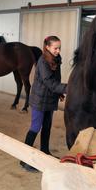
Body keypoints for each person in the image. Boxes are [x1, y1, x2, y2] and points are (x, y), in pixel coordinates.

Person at [20, 36, 67, 172]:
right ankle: (24, 159)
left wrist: (59, 93)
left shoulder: (56, 58)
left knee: (47, 127)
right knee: (35, 127)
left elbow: (55, 80)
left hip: (50, 99)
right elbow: (49, 82)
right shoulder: (42, 61)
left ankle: (45, 152)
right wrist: (70, 88)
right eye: (55, 48)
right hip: (39, 99)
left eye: (59, 48)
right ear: (47, 47)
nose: (58, 50)